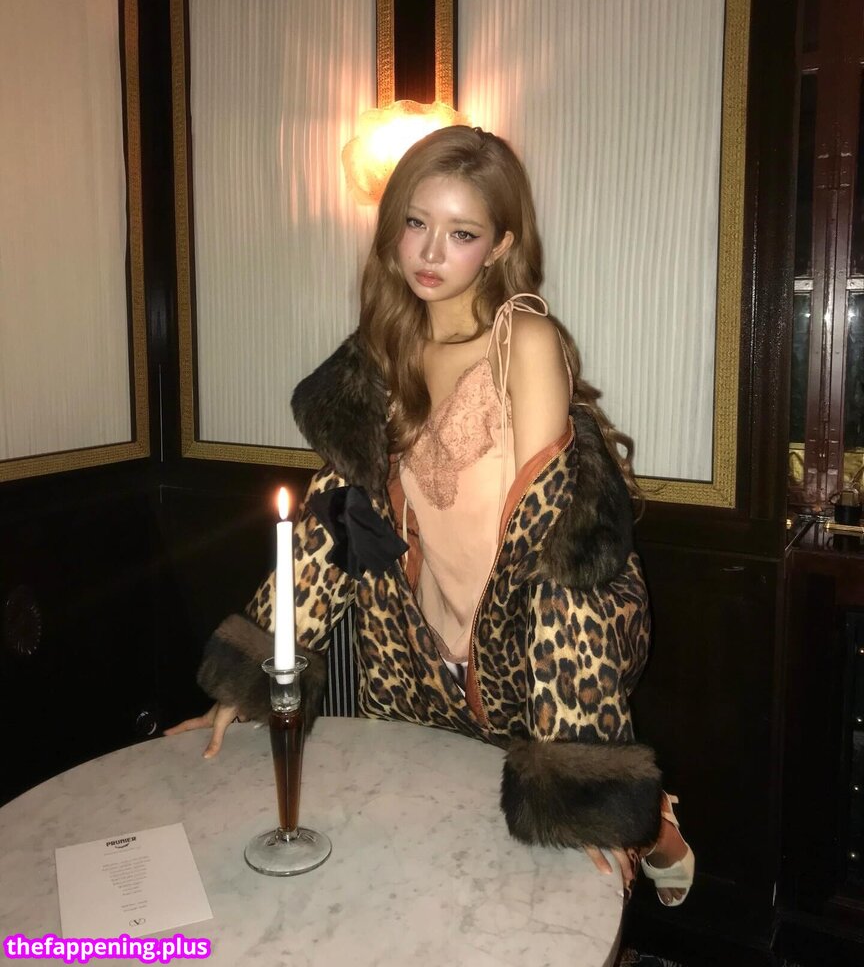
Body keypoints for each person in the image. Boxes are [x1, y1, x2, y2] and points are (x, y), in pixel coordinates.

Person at [167, 125, 694, 905]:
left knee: (562, 860)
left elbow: (560, 546)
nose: (431, 252)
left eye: (462, 233)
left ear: (500, 245)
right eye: (416, 223)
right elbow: (331, 529)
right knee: (437, 857)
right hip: (421, 644)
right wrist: (253, 682)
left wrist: (586, 785)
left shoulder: (525, 341)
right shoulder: (384, 352)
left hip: (546, 632)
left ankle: (656, 826)